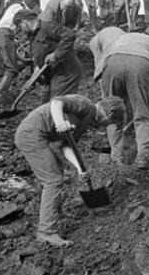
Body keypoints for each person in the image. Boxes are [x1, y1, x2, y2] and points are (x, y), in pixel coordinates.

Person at [14, 95, 126, 247]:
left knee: (58, 169)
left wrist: (80, 169)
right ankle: (46, 231)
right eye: (110, 122)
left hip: (42, 137)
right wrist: (60, 122)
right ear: (109, 113)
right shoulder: (86, 105)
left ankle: (54, 213)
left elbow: (66, 146)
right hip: (31, 134)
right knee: (52, 180)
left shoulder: (85, 123)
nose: (106, 126)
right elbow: (56, 102)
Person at [97, 32, 149, 168]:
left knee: (111, 111)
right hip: (141, 65)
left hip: (113, 63)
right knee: (143, 113)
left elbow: (107, 56)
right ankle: (143, 156)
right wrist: (144, 94)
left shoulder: (124, 37)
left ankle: (116, 158)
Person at [29, 6, 82, 103]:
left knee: (57, 104)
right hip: (50, 74)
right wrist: (36, 68)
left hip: (65, 72)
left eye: (19, 26)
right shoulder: (32, 34)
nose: (18, 29)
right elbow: (40, 54)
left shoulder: (47, 27)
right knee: (45, 104)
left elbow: (70, 35)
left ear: (25, 22)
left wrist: (56, 54)